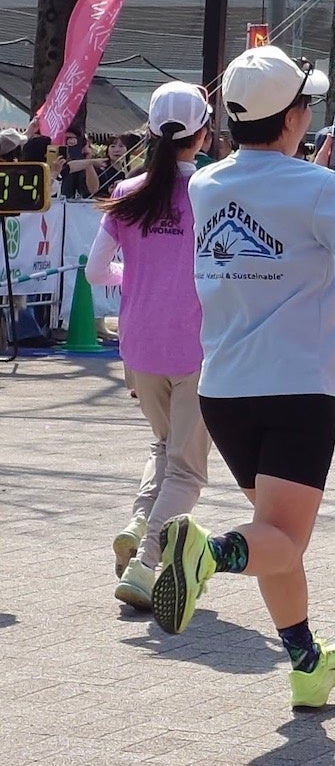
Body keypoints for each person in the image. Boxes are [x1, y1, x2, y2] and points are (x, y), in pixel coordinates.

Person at [149, 45, 335, 710]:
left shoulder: (208, 184)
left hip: (224, 387)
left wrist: (314, 177)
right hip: (296, 390)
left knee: (277, 534)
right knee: (279, 539)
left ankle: (308, 663)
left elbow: (270, 197)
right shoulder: (325, 190)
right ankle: (207, 553)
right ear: (294, 117)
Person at [86, 82, 212, 612]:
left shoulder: (128, 194)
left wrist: (132, 275)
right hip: (197, 348)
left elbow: (95, 273)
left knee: (164, 448)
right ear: (203, 133)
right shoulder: (213, 191)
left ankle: (139, 523)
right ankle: (145, 564)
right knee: (187, 468)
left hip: (138, 347)